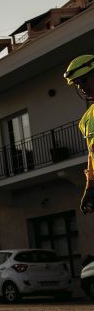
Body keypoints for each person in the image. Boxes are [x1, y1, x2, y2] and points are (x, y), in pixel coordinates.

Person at [64, 55, 94, 215]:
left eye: (84, 80)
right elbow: (92, 155)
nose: (82, 87)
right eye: (77, 84)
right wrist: (89, 187)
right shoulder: (87, 119)